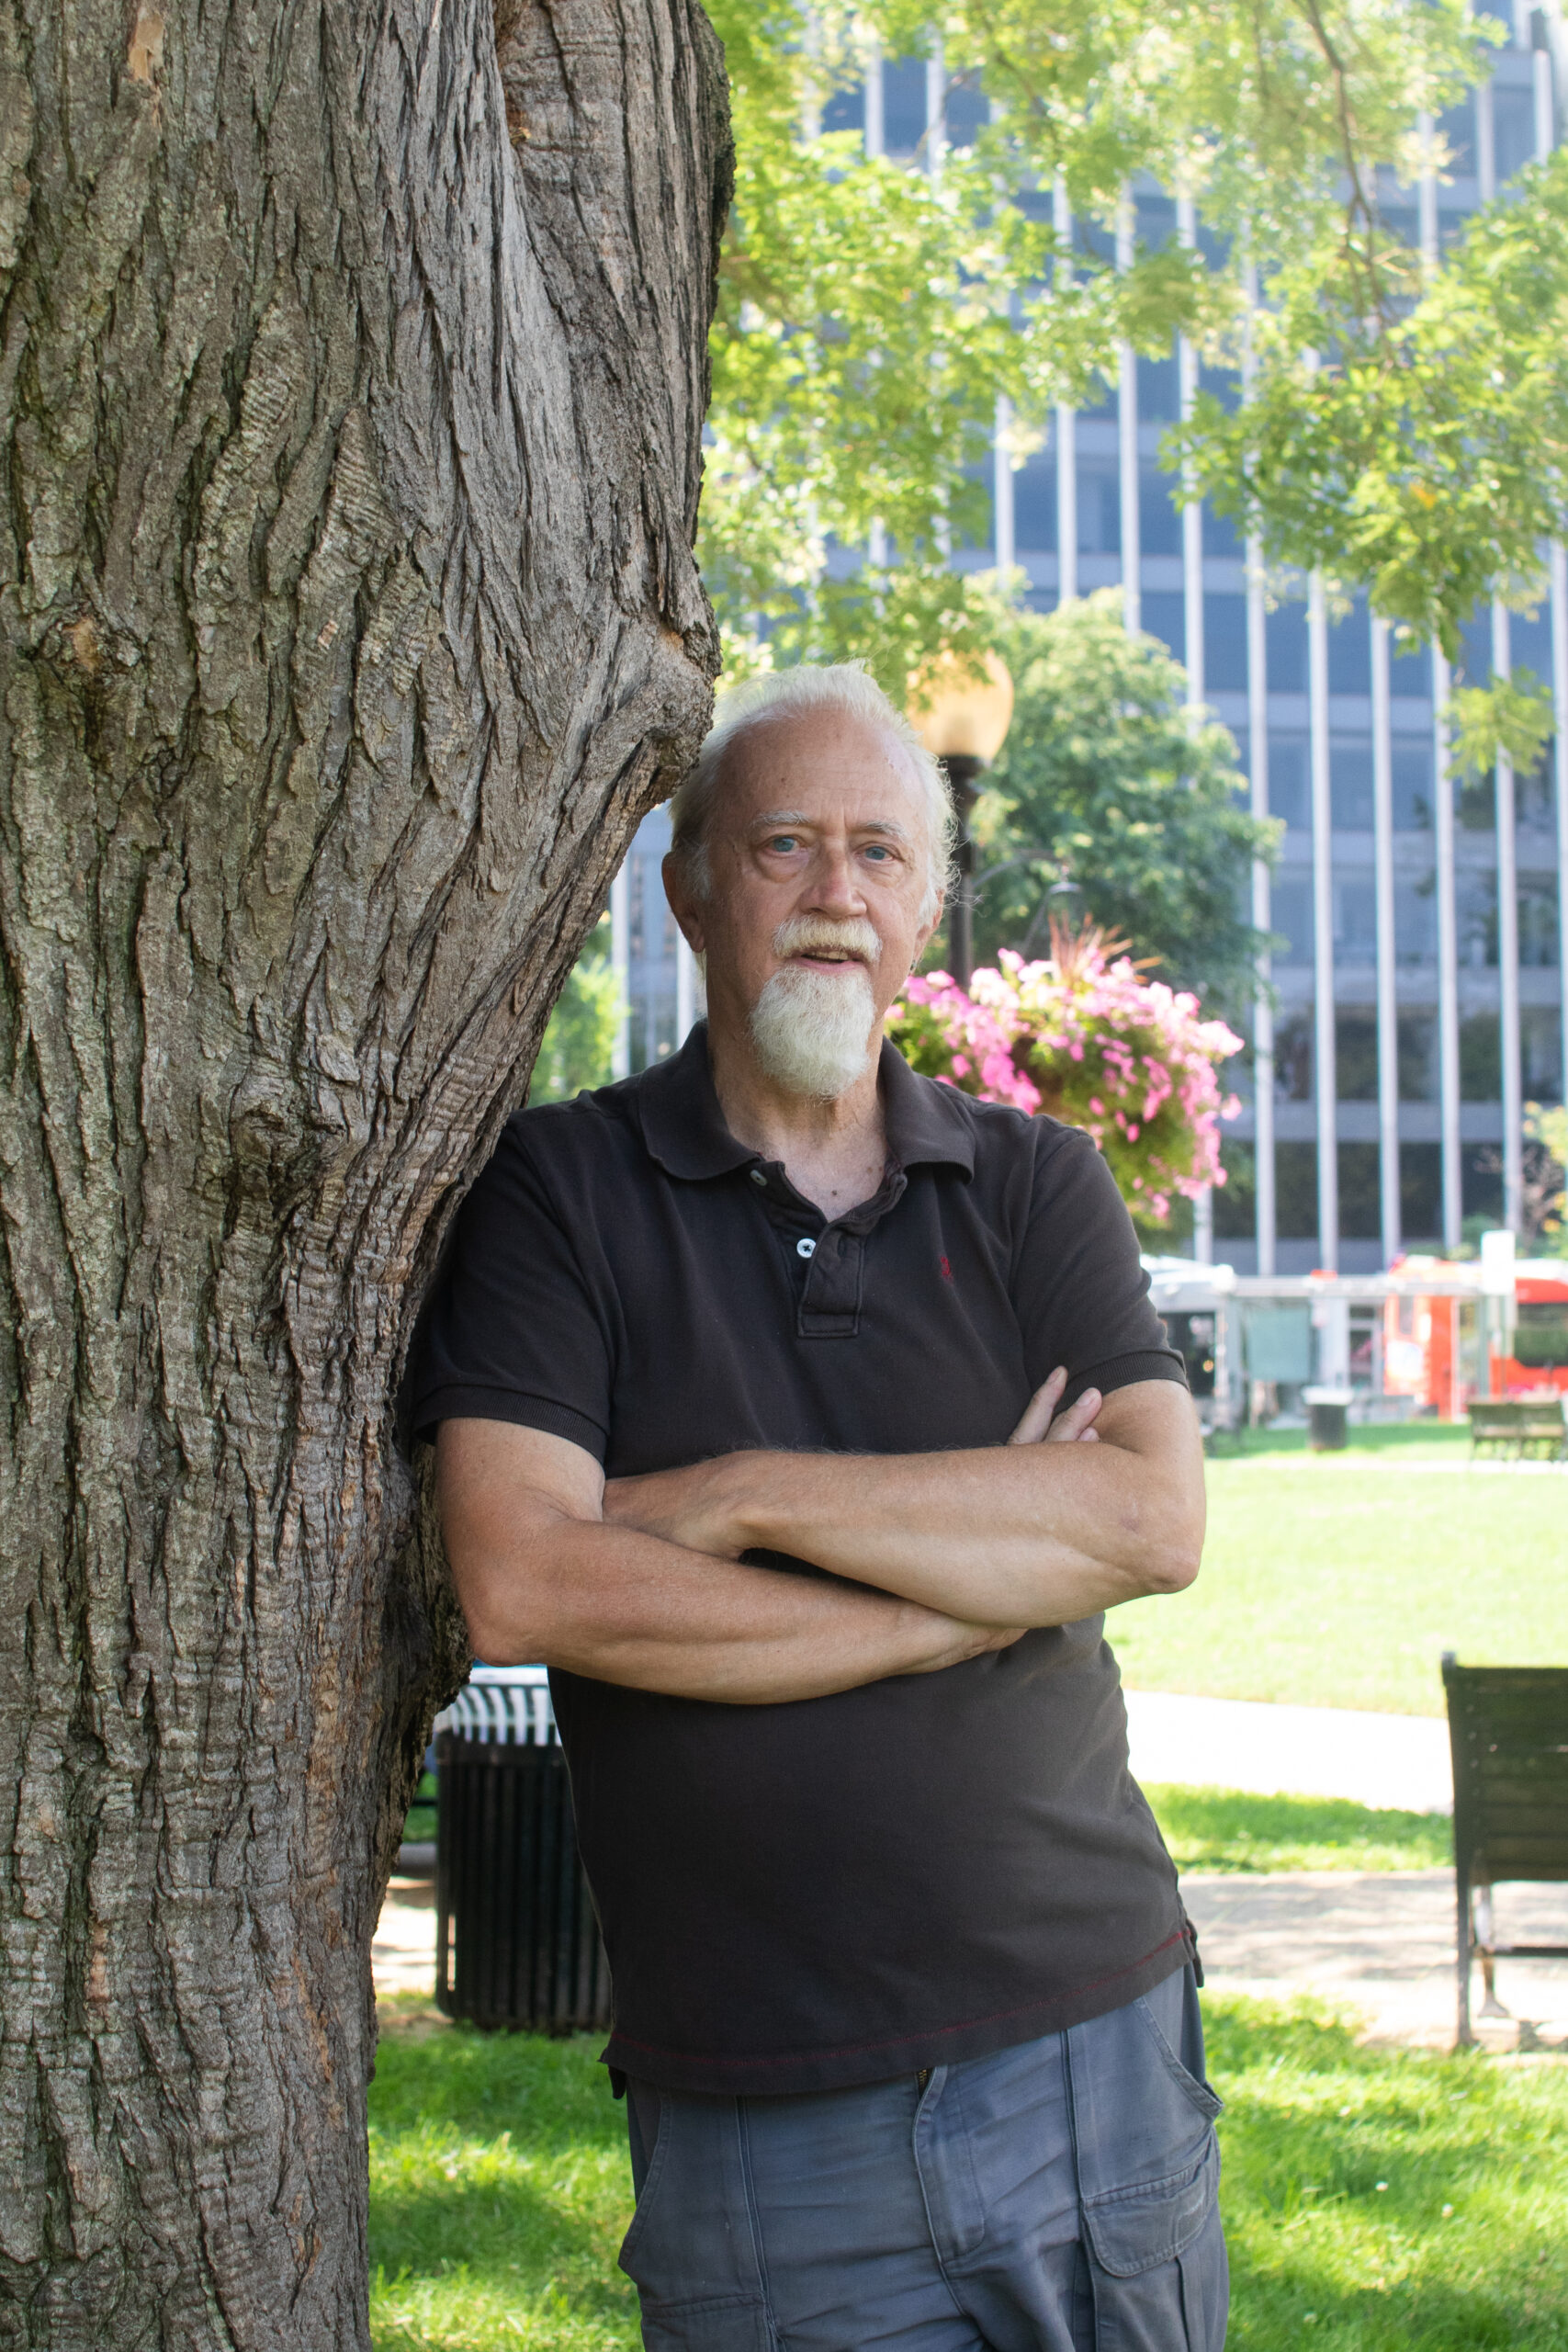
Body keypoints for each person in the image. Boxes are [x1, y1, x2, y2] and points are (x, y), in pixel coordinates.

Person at [408, 663, 1226, 2351]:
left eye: (878, 851)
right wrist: (975, 1583)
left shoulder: (1033, 1188)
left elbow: (1148, 1526)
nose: (835, 892)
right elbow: (529, 1583)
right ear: (692, 888)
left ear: (927, 902)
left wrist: (731, 1494)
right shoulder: (563, 1194)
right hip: (760, 2112)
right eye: (784, 845)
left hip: (1092, 2050)